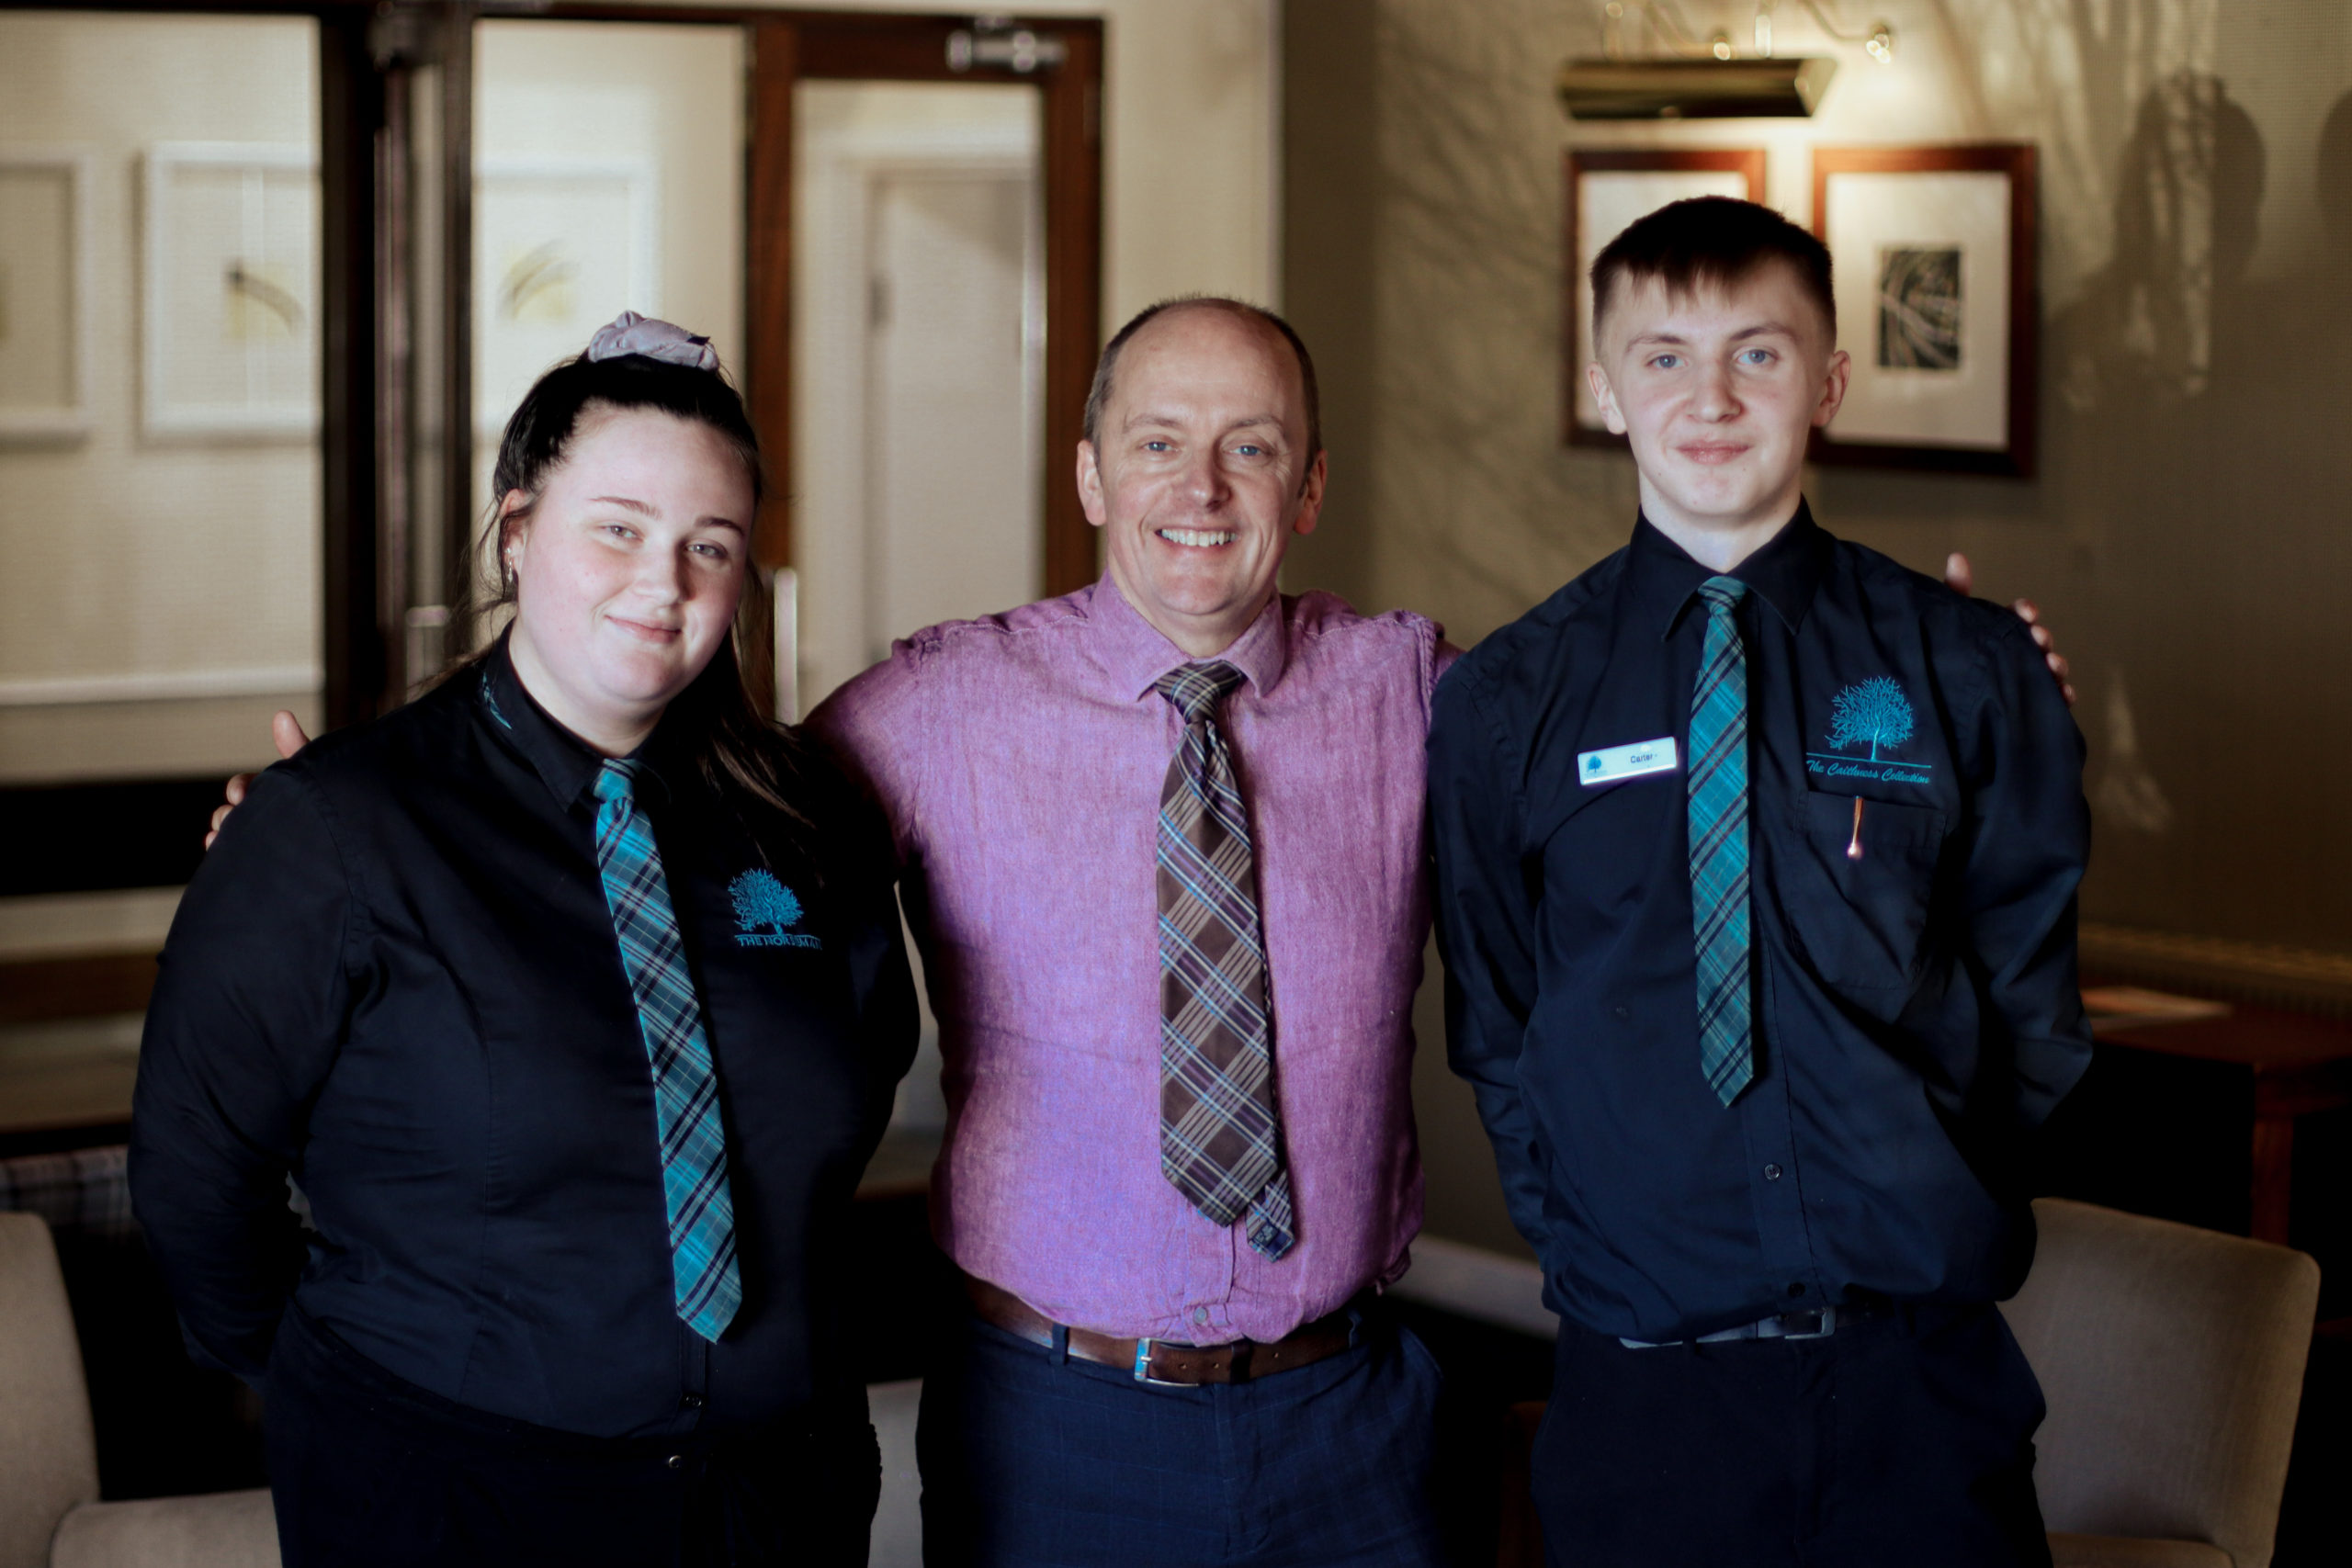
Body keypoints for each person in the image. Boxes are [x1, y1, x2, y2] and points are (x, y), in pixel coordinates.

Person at [215, 294, 2075, 1567]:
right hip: (1052, 1423)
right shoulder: (918, 713)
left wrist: (1945, 694)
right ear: (1089, 472)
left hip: (1355, 1414)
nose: (1200, 492)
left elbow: (1667, 819)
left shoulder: (1427, 694)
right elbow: (656, 816)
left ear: (1307, 489)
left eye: (1250, 449)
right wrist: (345, 822)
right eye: (1158, 443)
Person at [135, 314, 917, 1568]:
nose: (662, 582)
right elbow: (192, 1187)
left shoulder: (806, 817)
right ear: (515, 530)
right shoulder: (340, 826)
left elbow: (858, 1074)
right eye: (616, 528)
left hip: (775, 1495)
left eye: (708, 546)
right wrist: (367, 1388)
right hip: (451, 1498)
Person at [1428, 197, 2091, 1567]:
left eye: (1760, 354)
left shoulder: (1964, 666)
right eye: (1663, 356)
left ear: (1830, 382)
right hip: (1645, 1394)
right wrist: (1614, 1246)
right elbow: (1500, 1024)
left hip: (1923, 1384)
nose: (1711, 397)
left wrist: (1933, 1185)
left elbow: (2033, 998)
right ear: (1605, 389)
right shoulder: (1506, 700)